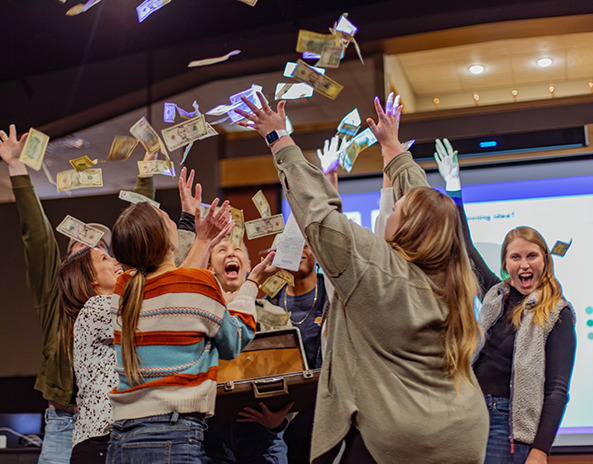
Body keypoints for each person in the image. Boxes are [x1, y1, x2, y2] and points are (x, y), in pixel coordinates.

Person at [235, 92, 489, 463]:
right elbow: (426, 205)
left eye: (396, 210)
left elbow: (320, 217)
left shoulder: (377, 269)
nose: (389, 212)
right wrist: (394, 150)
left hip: (403, 439)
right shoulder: (453, 277)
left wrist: (279, 139)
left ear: (407, 229)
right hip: (465, 430)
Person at [0, 124, 156, 464]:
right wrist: (17, 167)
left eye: (99, 248)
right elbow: (38, 238)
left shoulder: (122, 300)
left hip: (111, 421)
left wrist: (147, 172)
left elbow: (141, 236)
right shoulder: (54, 297)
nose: (87, 248)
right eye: (79, 245)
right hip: (63, 421)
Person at [434, 138, 577, 464]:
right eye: (515, 257)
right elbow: (465, 247)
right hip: (469, 415)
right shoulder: (495, 295)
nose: (524, 264)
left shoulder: (558, 312)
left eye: (532, 256)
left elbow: (556, 390)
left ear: (545, 260)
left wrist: (540, 450)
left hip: (507, 426)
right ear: (505, 265)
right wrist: (453, 189)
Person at [106, 201, 277, 464]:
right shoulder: (199, 284)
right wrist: (252, 283)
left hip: (122, 434)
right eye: (167, 217)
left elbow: (174, 283)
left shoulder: (123, 289)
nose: (173, 221)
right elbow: (234, 341)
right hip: (173, 432)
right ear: (164, 239)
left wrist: (203, 240)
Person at [203, 236, 292, 464]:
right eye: (222, 249)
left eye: (237, 249)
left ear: (250, 264)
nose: (231, 254)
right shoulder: (199, 315)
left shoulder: (273, 314)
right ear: (209, 266)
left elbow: (292, 371)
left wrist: (280, 420)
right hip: (211, 438)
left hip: (264, 439)